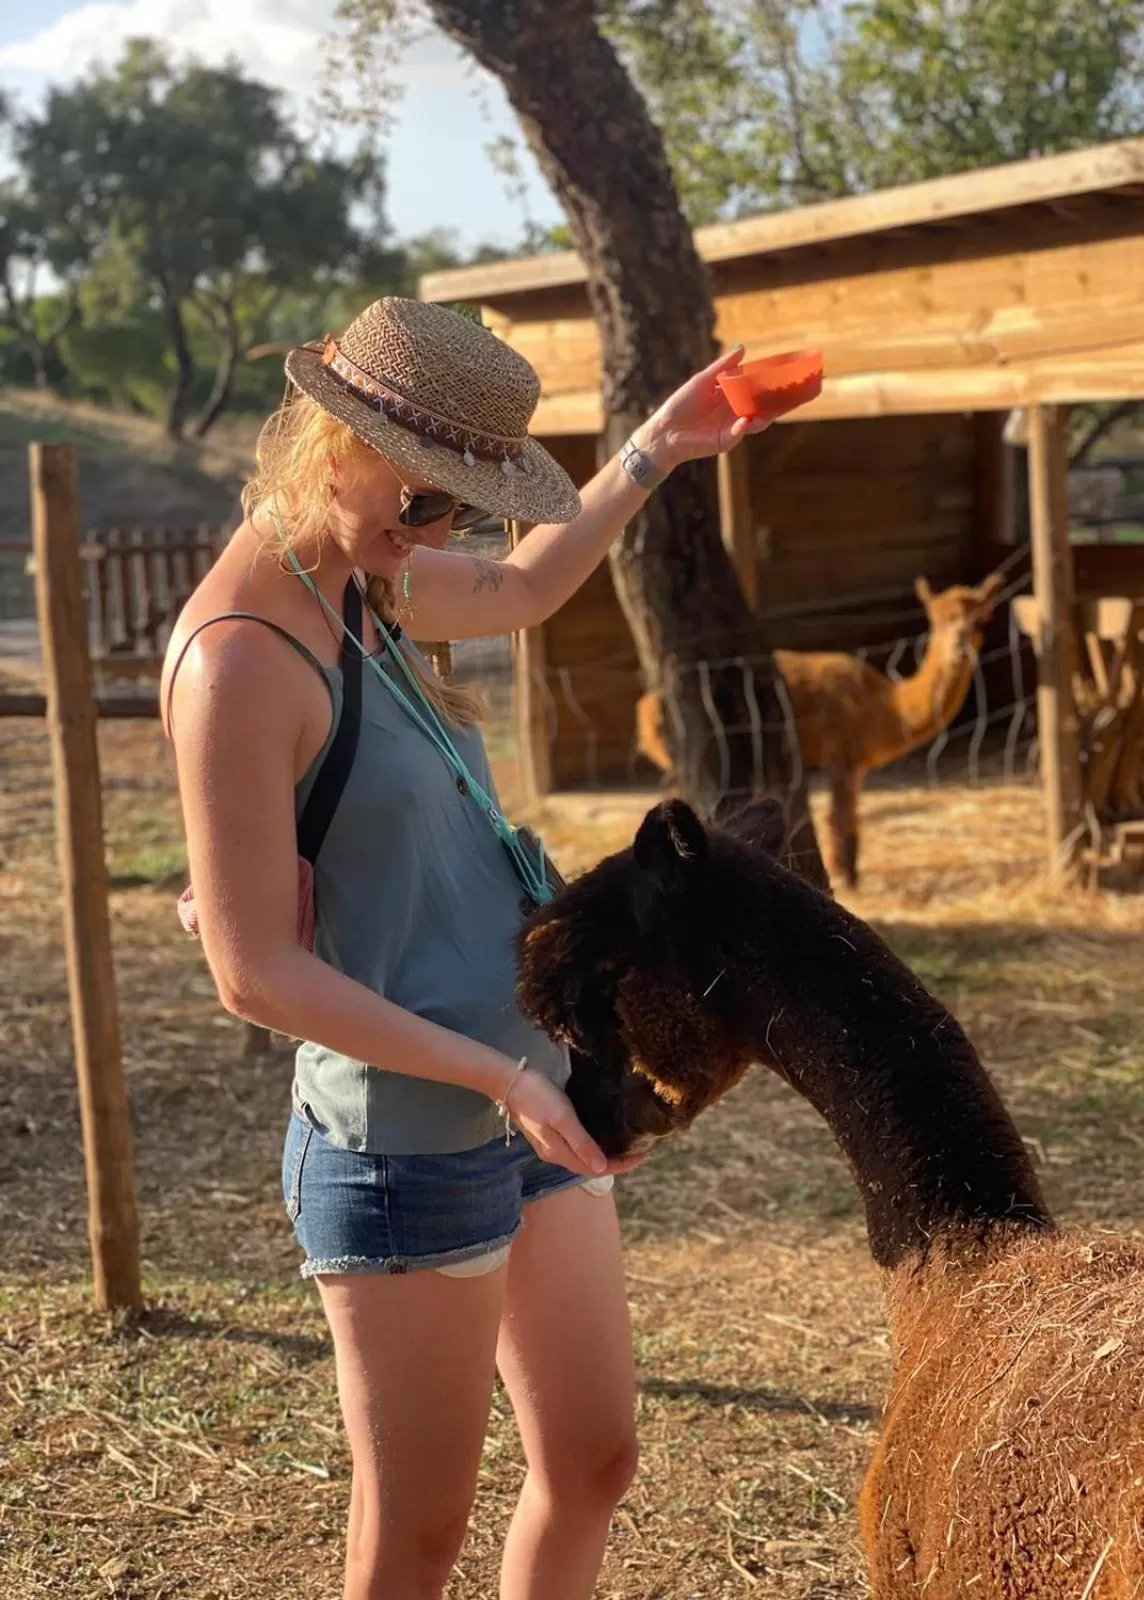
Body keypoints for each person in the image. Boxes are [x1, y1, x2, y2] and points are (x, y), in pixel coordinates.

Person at [162, 297, 766, 1600]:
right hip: (407, 1144)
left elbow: (535, 585)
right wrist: (501, 1079)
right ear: (337, 444)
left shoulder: (362, 580)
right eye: (429, 503)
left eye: (461, 511)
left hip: (525, 1092)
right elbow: (252, 969)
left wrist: (659, 445)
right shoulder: (243, 660)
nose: (444, 538)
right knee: (417, 1540)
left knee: (597, 1460)